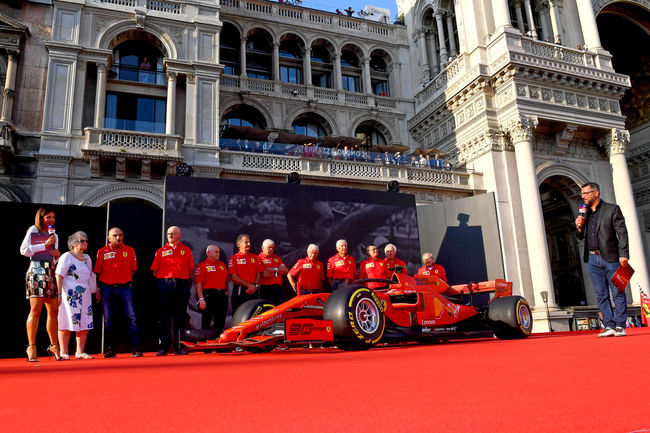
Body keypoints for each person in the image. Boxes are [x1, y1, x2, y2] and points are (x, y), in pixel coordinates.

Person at [575, 182, 630, 337]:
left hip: (612, 258)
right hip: (593, 259)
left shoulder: (612, 209)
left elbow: (622, 233)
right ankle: (609, 325)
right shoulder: (585, 213)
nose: (583, 196)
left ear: (596, 193)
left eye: (586, 193)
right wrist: (578, 227)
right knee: (601, 294)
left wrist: (624, 253)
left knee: (618, 291)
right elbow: (580, 236)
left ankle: (620, 325)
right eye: (582, 194)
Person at [20, 207, 62, 361]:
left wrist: (57, 255)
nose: (51, 220)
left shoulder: (54, 234)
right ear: (41, 218)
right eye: (48, 217)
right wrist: (44, 245)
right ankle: (31, 347)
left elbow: (54, 257)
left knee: (53, 312)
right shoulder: (33, 229)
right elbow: (24, 250)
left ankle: (54, 345)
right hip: (36, 272)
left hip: (50, 272)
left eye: (53, 217)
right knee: (35, 310)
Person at [94, 227, 142, 358]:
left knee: (131, 318)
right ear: (109, 237)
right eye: (114, 235)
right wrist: (99, 287)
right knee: (109, 319)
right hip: (107, 288)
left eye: (120, 235)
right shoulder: (102, 251)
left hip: (125, 288)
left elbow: (133, 270)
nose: (118, 238)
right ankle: (110, 350)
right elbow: (97, 271)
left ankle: (136, 348)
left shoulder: (130, 250)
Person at [151, 226, 194, 355]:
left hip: (181, 284)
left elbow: (190, 270)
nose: (170, 235)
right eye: (169, 233)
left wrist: (180, 279)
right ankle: (163, 347)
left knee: (180, 317)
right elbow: (155, 271)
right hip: (164, 284)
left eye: (173, 233)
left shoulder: (186, 251)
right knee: (164, 317)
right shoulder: (161, 251)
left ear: (179, 235)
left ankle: (179, 347)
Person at [56, 231, 98, 360]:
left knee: (84, 321)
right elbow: (59, 275)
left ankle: (80, 351)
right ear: (73, 243)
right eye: (82, 241)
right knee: (66, 320)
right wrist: (58, 294)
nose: (85, 243)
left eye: (86, 241)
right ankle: (64, 352)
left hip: (84, 293)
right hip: (69, 294)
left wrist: (95, 289)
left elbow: (90, 275)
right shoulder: (66, 256)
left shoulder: (87, 258)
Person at [195, 245, 229, 334]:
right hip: (208, 295)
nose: (218, 254)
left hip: (221, 295)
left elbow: (226, 281)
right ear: (208, 253)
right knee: (206, 321)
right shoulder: (202, 266)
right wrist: (201, 299)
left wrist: (226, 292)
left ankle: (219, 342)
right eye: (216, 252)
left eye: (219, 252)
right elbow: (198, 283)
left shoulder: (222, 265)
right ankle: (204, 343)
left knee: (220, 321)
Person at [228, 234, 264, 313]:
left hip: (254, 289)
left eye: (249, 242)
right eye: (246, 242)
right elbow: (234, 277)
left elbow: (259, 273)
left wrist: (255, 285)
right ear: (239, 244)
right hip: (240, 289)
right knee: (239, 313)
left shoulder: (255, 257)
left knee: (253, 313)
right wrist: (249, 286)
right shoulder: (234, 258)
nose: (249, 244)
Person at [258, 239, 288, 305]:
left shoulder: (276, 258)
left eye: (273, 248)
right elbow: (265, 274)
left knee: (278, 309)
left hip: (277, 288)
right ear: (262, 248)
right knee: (267, 310)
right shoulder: (258, 258)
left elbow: (285, 270)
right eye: (269, 247)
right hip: (265, 289)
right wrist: (278, 273)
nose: (271, 249)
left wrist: (274, 269)